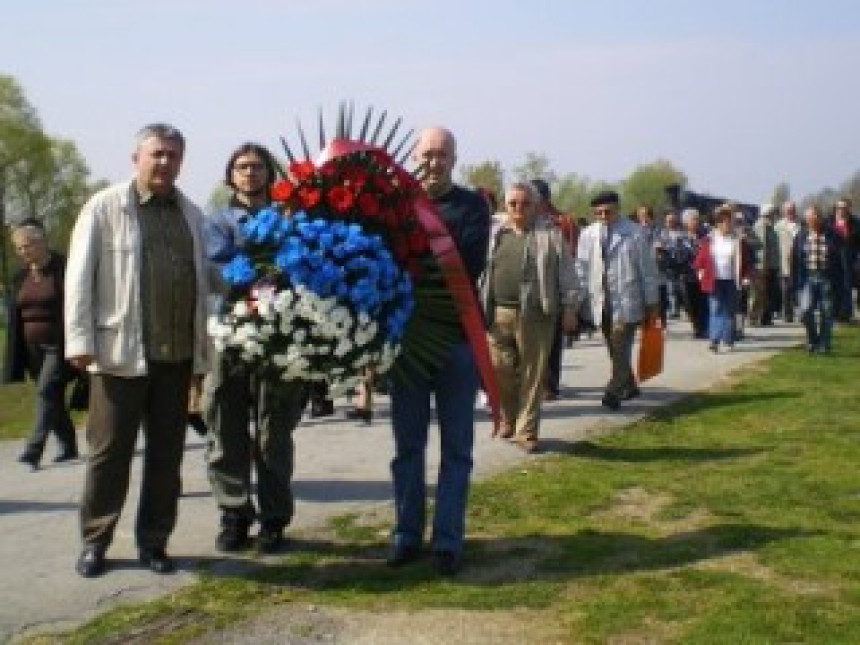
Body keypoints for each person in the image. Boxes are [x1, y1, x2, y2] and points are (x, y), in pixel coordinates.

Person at [64, 123, 210, 578]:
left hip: (176, 357)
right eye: (157, 154)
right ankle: (96, 541)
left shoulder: (191, 215)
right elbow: (79, 278)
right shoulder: (105, 207)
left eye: (173, 155)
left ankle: (154, 541)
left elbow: (206, 282)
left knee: (166, 458)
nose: (165, 162)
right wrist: (79, 340)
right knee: (109, 455)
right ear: (137, 159)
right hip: (118, 356)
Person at [388, 127, 490, 576]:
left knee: (457, 448)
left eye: (442, 154)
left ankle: (447, 539)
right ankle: (406, 535)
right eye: (427, 153)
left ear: (454, 158)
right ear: (415, 155)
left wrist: (414, 260)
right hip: (409, 345)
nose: (434, 161)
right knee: (407, 447)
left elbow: (466, 261)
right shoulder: (395, 203)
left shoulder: (473, 207)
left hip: (455, 341)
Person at [202, 143, 308, 553]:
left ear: (270, 173)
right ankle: (233, 513)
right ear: (231, 176)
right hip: (231, 331)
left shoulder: (289, 218)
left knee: (274, 428)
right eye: (242, 167)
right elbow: (220, 270)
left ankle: (274, 517)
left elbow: (300, 266)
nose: (250, 174)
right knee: (225, 425)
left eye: (258, 167)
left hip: (280, 333)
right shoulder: (218, 220)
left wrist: (268, 264)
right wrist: (266, 263)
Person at [481, 181, 579, 453]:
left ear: (536, 206)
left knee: (532, 374)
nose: (518, 209)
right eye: (513, 204)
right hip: (498, 312)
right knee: (500, 370)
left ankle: (527, 431)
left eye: (525, 204)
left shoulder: (551, 235)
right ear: (505, 206)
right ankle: (509, 419)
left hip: (535, 314)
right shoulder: (496, 234)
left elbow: (568, 275)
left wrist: (570, 307)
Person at [3, 220, 79, 469]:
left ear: (42, 242)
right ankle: (68, 445)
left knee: (46, 391)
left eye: (28, 245)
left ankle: (32, 451)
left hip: (59, 343)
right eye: (19, 248)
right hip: (30, 348)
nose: (23, 252)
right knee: (52, 396)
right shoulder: (20, 276)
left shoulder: (64, 268)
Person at [575, 191, 659, 410]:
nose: (603, 216)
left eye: (607, 211)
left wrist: (652, 303)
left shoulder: (635, 233)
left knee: (620, 345)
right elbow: (582, 270)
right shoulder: (587, 235)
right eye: (598, 213)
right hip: (600, 301)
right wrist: (577, 302)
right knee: (614, 347)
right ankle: (629, 385)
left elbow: (648, 271)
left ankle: (613, 391)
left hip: (627, 298)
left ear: (617, 209)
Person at [530, 178, 578, 401]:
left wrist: (571, 300)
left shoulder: (562, 222)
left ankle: (550, 384)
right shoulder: (523, 221)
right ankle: (535, 383)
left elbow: (572, 256)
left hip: (556, 286)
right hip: (530, 289)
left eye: (535, 199)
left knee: (552, 340)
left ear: (545, 200)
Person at [693, 204, 747, 353]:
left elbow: (745, 261)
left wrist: (744, 277)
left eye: (728, 221)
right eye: (723, 221)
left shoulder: (737, 239)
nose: (726, 224)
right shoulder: (709, 239)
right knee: (715, 309)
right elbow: (700, 259)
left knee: (730, 311)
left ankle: (728, 339)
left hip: (731, 280)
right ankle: (714, 341)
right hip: (714, 279)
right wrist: (700, 272)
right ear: (717, 223)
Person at [793, 205, 844, 354]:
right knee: (805, 311)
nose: (810, 220)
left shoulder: (832, 235)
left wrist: (841, 283)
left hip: (826, 278)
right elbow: (795, 261)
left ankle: (824, 344)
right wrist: (794, 283)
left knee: (826, 312)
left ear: (819, 218)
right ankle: (812, 339)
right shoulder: (801, 235)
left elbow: (839, 261)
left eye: (812, 217)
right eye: (807, 218)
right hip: (807, 278)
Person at [635, 205, 671, 328]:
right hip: (642, 269)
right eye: (641, 216)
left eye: (646, 215)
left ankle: (662, 320)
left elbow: (664, 244)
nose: (644, 218)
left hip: (658, 268)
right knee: (644, 297)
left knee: (660, 296)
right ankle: (647, 321)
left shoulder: (659, 230)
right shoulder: (635, 231)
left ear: (651, 216)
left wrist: (660, 247)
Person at [678, 208, 708, 338]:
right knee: (690, 303)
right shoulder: (681, 238)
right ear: (686, 222)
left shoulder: (705, 236)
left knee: (703, 302)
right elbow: (679, 256)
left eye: (697, 219)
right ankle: (696, 326)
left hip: (702, 276)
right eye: (693, 219)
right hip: (687, 275)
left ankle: (703, 328)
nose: (696, 222)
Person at [749, 204, 780, 326]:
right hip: (763, 266)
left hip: (772, 265)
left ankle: (766, 317)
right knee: (759, 293)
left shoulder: (770, 226)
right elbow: (762, 247)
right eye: (773, 213)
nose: (774, 215)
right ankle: (754, 317)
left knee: (769, 293)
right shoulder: (762, 225)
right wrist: (763, 266)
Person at [831, 198, 859, 322]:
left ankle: (846, 313)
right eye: (839, 208)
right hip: (833, 258)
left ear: (849, 209)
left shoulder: (855, 223)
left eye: (844, 208)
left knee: (847, 285)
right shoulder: (829, 222)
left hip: (849, 257)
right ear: (835, 209)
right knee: (834, 286)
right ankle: (835, 312)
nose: (842, 210)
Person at [775, 201, 800, 323]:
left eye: (792, 210)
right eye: (787, 210)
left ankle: (801, 311)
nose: (790, 212)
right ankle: (787, 314)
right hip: (783, 261)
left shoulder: (801, 225)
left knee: (798, 288)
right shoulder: (778, 226)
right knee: (785, 290)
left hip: (799, 262)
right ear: (784, 212)